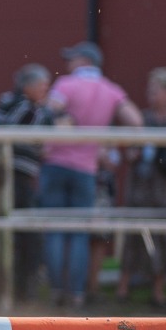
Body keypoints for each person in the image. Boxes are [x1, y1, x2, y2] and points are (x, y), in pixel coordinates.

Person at [40, 41, 143, 307]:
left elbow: (48, 112)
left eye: (72, 59)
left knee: (55, 230)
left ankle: (56, 289)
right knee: (79, 233)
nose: (68, 64)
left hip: (55, 163)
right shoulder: (111, 90)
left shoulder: (66, 85)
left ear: (83, 61)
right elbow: (135, 121)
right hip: (86, 168)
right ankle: (76, 293)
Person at [119, 66, 166, 305]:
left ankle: (159, 290)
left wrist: (159, 136)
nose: (151, 95)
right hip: (142, 183)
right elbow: (131, 151)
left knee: (165, 235)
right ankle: (124, 286)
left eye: (157, 90)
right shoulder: (143, 118)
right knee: (134, 234)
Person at [0, 63, 55, 299]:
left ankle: (18, 286)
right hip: (15, 174)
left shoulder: (12, 102)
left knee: (19, 231)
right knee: (25, 231)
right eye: (41, 86)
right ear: (28, 86)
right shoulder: (24, 106)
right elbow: (11, 132)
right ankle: (21, 288)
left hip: (12, 174)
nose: (44, 91)